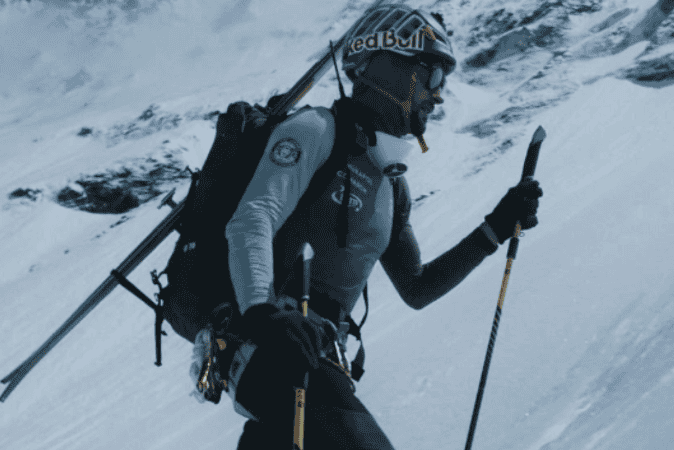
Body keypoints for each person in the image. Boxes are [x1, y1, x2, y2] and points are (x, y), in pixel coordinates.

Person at [217, 5, 544, 449]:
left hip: (316, 357)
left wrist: (496, 227)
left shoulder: (391, 185)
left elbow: (417, 287)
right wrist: (264, 316)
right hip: (271, 345)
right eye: (432, 76)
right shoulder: (316, 130)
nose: (438, 95)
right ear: (392, 69)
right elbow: (253, 218)